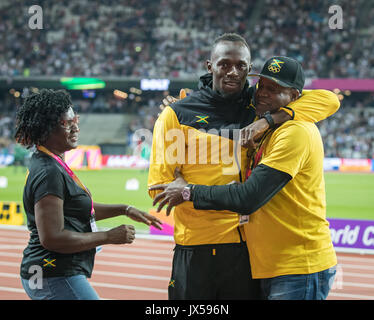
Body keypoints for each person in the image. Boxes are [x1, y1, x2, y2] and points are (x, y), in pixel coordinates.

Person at [147, 33, 340, 300]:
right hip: (197, 247)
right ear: (210, 66)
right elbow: (159, 189)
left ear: (249, 70)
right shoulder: (177, 114)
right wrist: (194, 194)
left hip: (246, 250)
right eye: (225, 64)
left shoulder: (257, 105)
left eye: (241, 66)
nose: (233, 72)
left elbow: (330, 100)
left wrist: (269, 120)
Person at [15, 89, 162, 300]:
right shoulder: (49, 172)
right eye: (66, 123)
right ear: (45, 127)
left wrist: (124, 209)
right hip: (52, 273)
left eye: (75, 119)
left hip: (53, 272)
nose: (75, 126)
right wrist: (108, 236)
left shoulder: (54, 163)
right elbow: (52, 238)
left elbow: (77, 210)